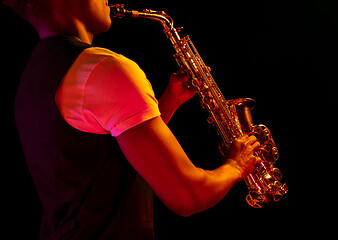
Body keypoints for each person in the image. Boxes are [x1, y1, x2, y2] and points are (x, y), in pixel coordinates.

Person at [3, 0, 261, 239]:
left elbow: (99, 161)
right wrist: (236, 167)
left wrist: (168, 103)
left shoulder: (33, 77)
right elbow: (188, 196)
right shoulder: (105, 68)